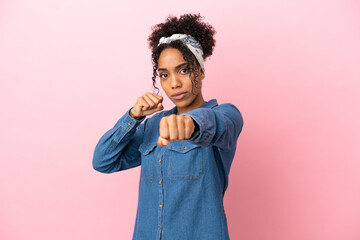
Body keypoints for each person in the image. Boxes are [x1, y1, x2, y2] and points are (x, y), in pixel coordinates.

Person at [92, 13, 244, 240]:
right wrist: (133, 117)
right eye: (164, 75)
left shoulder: (226, 114)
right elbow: (103, 161)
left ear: (200, 70)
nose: (174, 83)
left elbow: (218, 125)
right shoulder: (153, 125)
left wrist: (190, 124)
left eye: (184, 70)